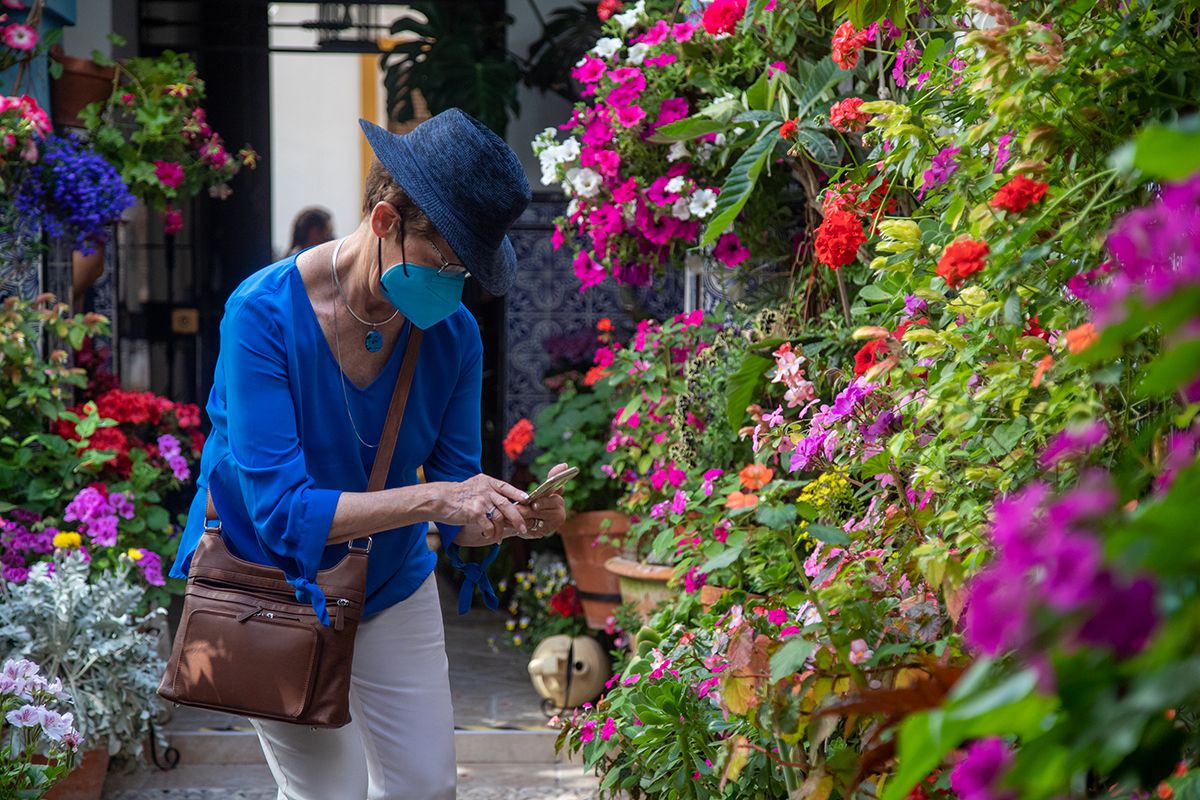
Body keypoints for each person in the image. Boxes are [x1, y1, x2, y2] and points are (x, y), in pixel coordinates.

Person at [168, 109, 567, 799]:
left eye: (464, 272)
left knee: (425, 786)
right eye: (443, 264)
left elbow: (454, 500)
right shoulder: (260, 314)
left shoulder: (453, 336)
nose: (453, 287)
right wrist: (439, 499)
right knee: (332, 792)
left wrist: (506, 515)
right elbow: (283, 514)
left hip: (388, 581)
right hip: (270, 584)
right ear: (385, 222)